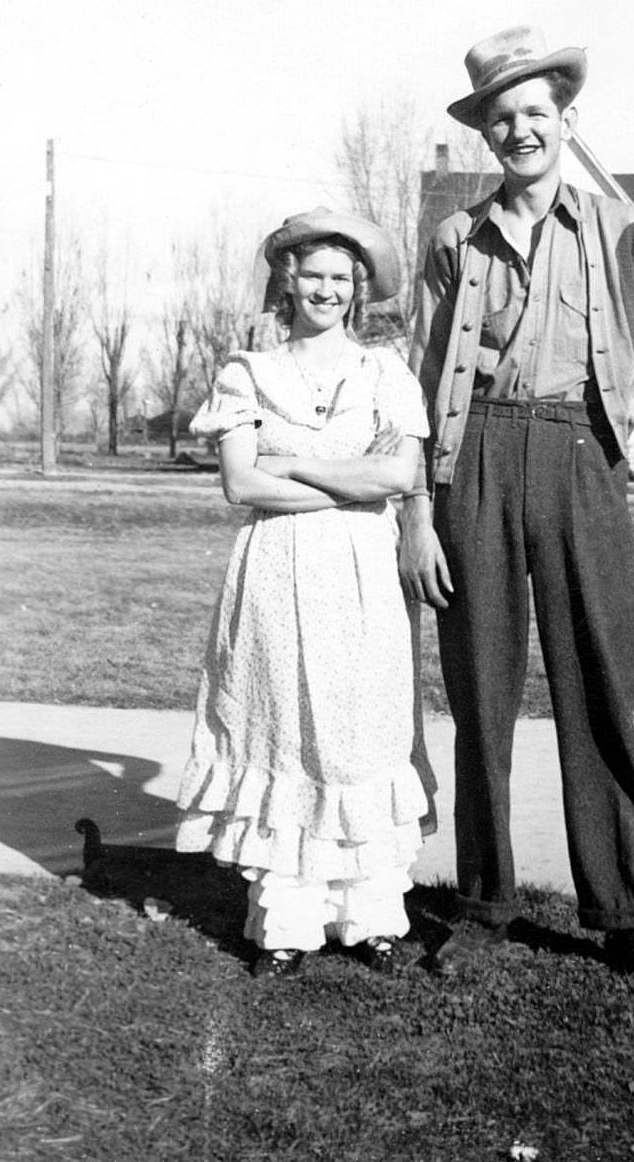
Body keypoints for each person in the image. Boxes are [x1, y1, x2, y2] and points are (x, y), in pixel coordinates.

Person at [399, 27, 634, 986]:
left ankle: (629, 914)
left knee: (599, 680)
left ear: (566, 121)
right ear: (486, 134)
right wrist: (419, 512)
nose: (520, 130)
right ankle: (483, 902)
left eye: (535, 114)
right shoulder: (453, 241)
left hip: (580, 455)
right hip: (473, 464)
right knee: (479, 689)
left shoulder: (617, 226)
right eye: (502, 118)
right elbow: (421, 381)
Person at [176, 208, 434, 978]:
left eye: (341, 279)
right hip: (277, 568)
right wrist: (345, 483)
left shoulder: (385, 371)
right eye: (312, 275)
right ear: (288, 283)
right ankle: (286, 923)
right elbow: (238, 483)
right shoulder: (247, 373)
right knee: (283, 721)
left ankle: (370, 918)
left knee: (359, 726)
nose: (326, 290)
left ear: (358, 291)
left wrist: (290, 467)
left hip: (361, 570)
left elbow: (398, 476)